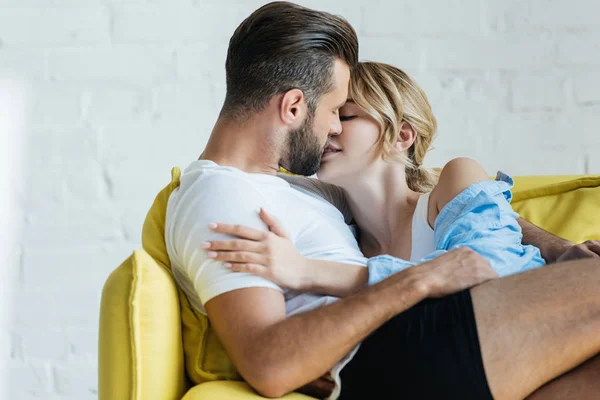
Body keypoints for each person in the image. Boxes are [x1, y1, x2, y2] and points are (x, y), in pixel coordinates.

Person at [164, 2, 600, 399]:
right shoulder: (220, 194)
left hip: (431, 336)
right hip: (401, 347)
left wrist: (557, 248)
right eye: (335, 109)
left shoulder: (301, 189)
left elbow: (448, 204)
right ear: (294, 107)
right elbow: (268, 364)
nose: (333, 127)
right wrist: (420, 280)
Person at [206, 61, 548, 295]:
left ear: (401, 135)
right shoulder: (338, 240)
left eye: (348, 115)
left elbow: (492, 274)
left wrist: (308, 271)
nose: (330, 129)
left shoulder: (454, 183)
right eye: (327, 115)